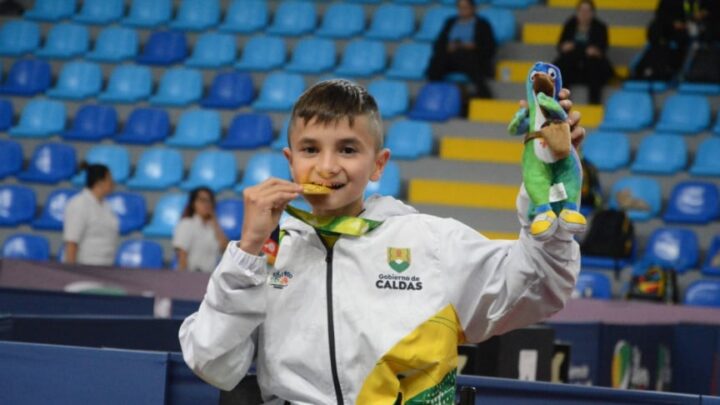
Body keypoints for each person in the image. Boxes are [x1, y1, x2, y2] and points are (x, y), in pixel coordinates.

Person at [179, 79, 585, 403]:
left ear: (378, 164)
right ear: (290, 160)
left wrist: (547, 193)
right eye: (310, 149)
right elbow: (212, 363)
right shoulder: (265, 256)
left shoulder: (431, 242)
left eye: (348, 149)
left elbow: (542, 285)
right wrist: (247, 249)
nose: (326, 166)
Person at [427, 0, 496, 98]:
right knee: (437, 60)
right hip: (451, 57)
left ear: (473, 8)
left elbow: (489, 47)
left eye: (465, 8)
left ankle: (483, 93)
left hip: (472, 57)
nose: (462, 11)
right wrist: (448, 47)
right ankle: (434, 93)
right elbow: (439, 43)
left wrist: (472, 46)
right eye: (460, 8)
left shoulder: (482, 24)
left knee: (467, 58)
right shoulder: (450, 22)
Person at [553, 0, 614, 104]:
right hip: (573, 66)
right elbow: (560, 45)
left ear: (593, 13)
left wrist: (595, 51)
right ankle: (561, 100)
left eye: (587, 11)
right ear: (577, 12)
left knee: (594, 64)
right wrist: (565, 47)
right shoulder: (570, 24)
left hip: (591, 66)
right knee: (564, 63)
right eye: (581, 10)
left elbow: (602, 49)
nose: (584, 14)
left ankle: (594, 103)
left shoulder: (600, 27)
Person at [63, 164, 118, 266]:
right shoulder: (79, 204)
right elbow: (72, 243)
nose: (113, 183)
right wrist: (70, 272)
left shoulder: (107, 206)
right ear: (99, 182)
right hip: (86, 267)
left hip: (106, 266)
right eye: (109, 179)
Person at [173, 186, 229, 273]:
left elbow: (226, 250)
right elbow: (182, 256)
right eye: (202, 200)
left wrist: (215, 223)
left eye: (210, 201)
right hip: (191, 275)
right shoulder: (186, 224)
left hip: (209, 276)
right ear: (193, 203)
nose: (207, 204)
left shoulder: (214, 228)